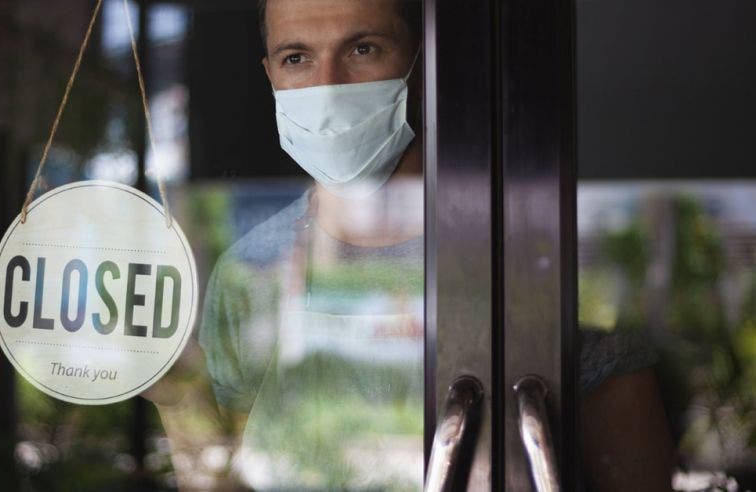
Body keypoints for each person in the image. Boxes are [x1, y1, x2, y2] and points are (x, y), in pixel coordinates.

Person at [153, 0, 676, 489]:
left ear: (422, 60)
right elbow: (220, 469)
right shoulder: (249, 267)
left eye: (363, 49)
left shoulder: (541, 259)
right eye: (297, 58)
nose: (329, 87)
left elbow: (634, 470)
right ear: (270, 74)